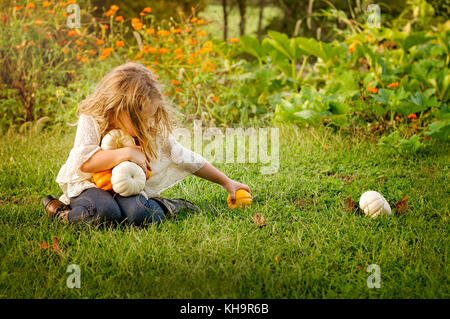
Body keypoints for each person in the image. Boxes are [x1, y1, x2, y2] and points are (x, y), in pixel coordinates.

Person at [42, 62, 250, 226]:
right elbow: (85, 162)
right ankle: (62, 213)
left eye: (151, 117)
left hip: (127, 189)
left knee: (142, 214)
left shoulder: (148, 127)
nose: (149, 123)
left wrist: (226, 182)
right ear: (119, 109)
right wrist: (129, 153)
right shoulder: (93, 119)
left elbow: (183, 156)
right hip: (90, 188)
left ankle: (168, 206)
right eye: (143, 119)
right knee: (104, 212)